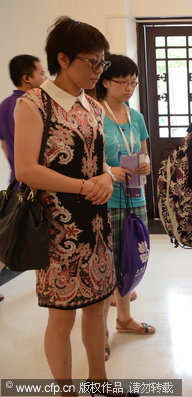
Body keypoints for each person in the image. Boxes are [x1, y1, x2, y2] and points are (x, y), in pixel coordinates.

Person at [13, 17, 136, 396]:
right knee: (62, 316)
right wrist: (86, 185)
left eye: (103, 63)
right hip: (57, 230)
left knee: (97, 307)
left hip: (95, 224)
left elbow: (97, 160)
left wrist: (104, 176)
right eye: (93, 62)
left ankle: (99, 383)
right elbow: (27, 170)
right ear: (63, 59)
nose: (99, 70)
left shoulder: (93, 106)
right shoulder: (34, 104)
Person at [96, 54, 155, 361]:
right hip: (106, 201)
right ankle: (102, 333)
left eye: (133, 82)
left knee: (131, 259)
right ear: (105, 81)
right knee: (107, 267)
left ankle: (124, 319)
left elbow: (144, 155)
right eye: (123, 81)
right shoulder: (95, 114)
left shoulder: (136, 117)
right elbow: (90, 162)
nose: (129, 87)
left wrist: (144, 165)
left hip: (135, 196)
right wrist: (109, 170)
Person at [0, 54, 46, 185]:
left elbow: (4, 146)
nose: (46, 78)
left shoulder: (3, 105)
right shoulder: (33, 105)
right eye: (42, 73)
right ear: (27, 78)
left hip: (14, 183)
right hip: (36, 184)